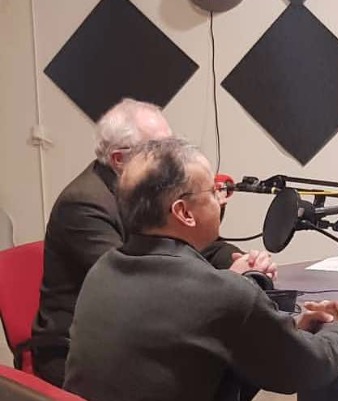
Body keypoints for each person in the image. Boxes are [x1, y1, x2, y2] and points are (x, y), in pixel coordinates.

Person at [64, 137, 338, 401]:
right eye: (213, 191)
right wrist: (335, 326)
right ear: (184, 212)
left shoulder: (102, 271)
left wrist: (289, 331)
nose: (221, 199)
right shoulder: (221, 293)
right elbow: (309, 368)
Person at [31, 99, 277, 386]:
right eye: (158, 149)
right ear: (119, 160)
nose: (172, 157)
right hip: (80, 351)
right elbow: (135, 286)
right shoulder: (84, 204)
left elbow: (193, 246)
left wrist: (240, 262)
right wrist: (226, 284)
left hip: (137, 330)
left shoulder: (150, 193)